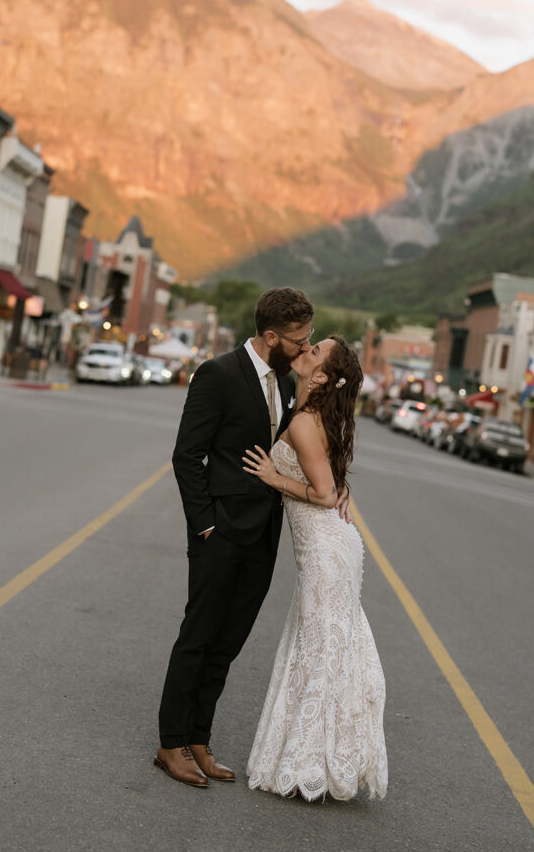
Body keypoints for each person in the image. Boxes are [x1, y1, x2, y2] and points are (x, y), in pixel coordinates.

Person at [155, 288, 351, 788]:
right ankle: (171, 743)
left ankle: (199, 740)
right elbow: (187, 455)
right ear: (271, 336)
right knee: (199, 638)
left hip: (264, 537)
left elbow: (309, 448)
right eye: (300, 339)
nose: (305, 347)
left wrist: (339, 485)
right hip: (219, 533)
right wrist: (205, 524)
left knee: (228, 644)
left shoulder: (287, 383)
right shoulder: (218, 374)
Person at [243, 335, 388, 802]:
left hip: (327, 548)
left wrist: (273, 477)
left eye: (314, 351)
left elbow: (325, 494)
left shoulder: (307, 421)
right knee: (323, 645)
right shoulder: (311, 411)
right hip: (330, 545)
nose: (305, 349)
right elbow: (330, 481)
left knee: (322, 649)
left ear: (322, 375)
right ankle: (320, 760)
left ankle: (313, 764)